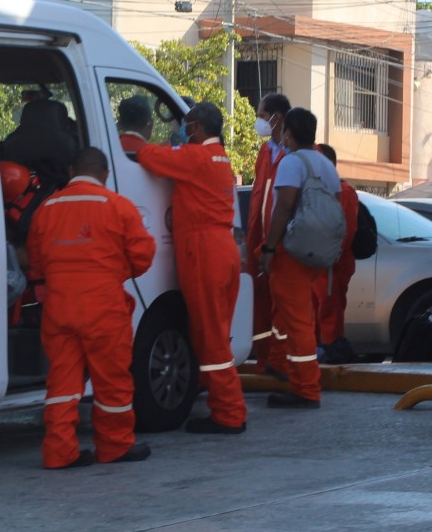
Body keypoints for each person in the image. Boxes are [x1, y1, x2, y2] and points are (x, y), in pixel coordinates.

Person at [26, 146, 156, 468]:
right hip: (103, 307)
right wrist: (113, 272)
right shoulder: (118, 207)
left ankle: (59, 452)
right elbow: (142, 256)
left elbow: (36, 261)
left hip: (59, 307)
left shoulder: (47, 208)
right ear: (105, 175)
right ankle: (114, 446)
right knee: (111, 381)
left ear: (72, 172)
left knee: (62, 383)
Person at [135, 102, 247, 434]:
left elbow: (149, 158)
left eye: (186, 126)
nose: (184, 131)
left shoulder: (196, 158)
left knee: (210, 337)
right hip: (223, 248)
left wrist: (141, 142)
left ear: (196, 127)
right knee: (215, 333)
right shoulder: (221, 158)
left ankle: (228, 413)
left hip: (204, 251)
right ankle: (224, 405)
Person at [257, 107, 341, 408]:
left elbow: (283, 208)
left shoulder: (292, 163)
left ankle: (306, 389)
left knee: (298, 323)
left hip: (291, 252)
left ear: (288, 133)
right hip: (316, 253)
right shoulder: (326, 164)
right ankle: (292, 375)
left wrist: (268, 248)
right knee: (297, 317)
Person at [248, 92, 292, 380]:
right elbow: (258, 198)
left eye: (262, 116)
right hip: (260, 244)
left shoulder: (299, 153)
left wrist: (272, 245)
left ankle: (284, 365)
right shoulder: (266, 152)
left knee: (284, 310)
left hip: (284, 246)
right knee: (262, 310)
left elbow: (286, 204)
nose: (259, 122)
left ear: (276, 118)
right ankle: (266, 363)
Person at [312, 143, 359, 364]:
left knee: (329, 314)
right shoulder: (320, 189)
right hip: (318, 263)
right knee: (317, 314)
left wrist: (329, 255)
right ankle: (320, 353)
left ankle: (330, 354)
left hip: (330, 265)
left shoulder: (344, 192)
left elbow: (345, 231)